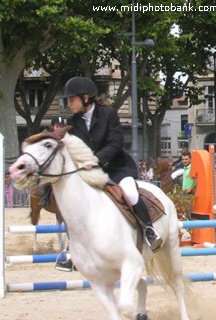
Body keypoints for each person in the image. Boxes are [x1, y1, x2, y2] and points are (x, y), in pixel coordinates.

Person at [64, 76, 162, 252]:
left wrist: (96, 158)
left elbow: (116, 143)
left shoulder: (108, 115)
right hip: (91, 173)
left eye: (72, 100)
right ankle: (72, 247)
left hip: (117, 168)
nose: (69, 104)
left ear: (85, 98)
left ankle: (149, 231)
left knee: (131, 194)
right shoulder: (72, 122)